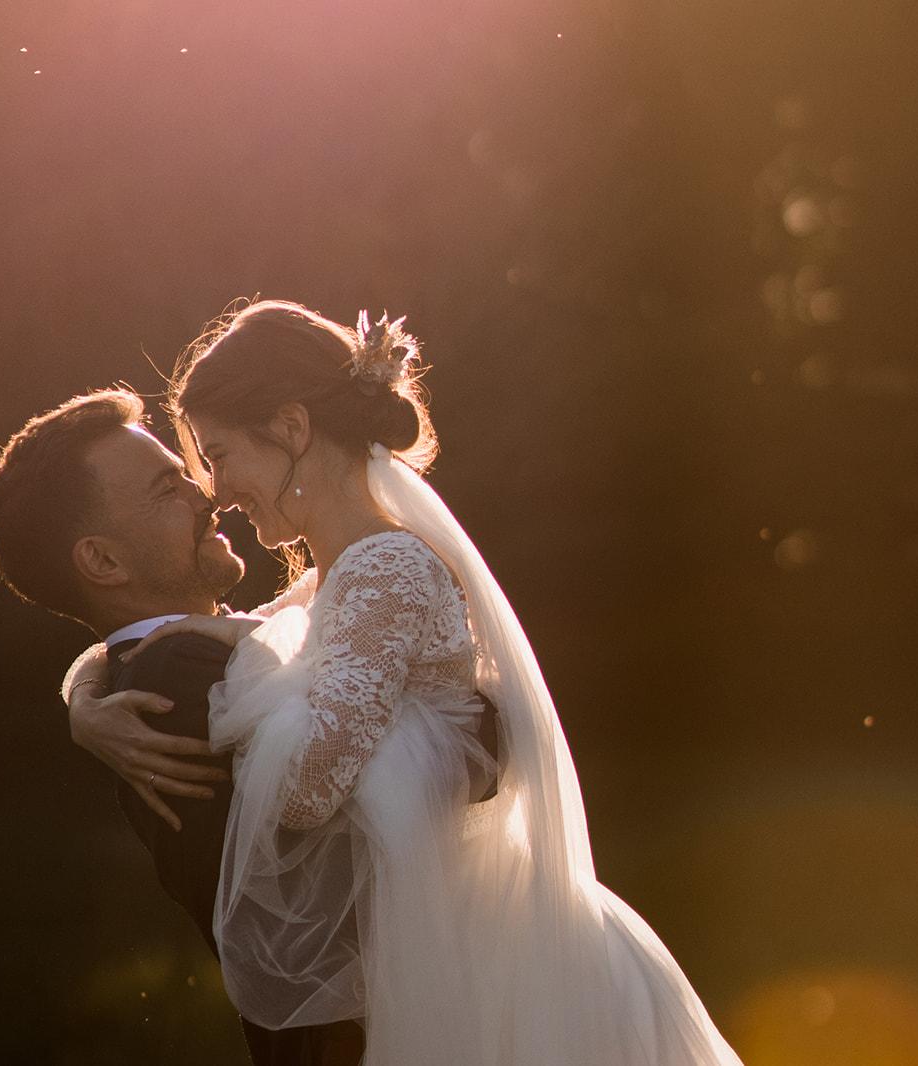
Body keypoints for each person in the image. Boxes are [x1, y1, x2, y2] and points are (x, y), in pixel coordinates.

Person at [66, 301, 742, 1064]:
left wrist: (254, 675)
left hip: (491, 963)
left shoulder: (384, 572)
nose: (216, 490)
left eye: (219, 455)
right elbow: (240, 646)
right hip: (448, 958)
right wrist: (83, 697)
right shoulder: (329, 587)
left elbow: (308, 791)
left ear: (290, 429)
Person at [0, 390, 365, 1066]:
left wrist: (83, 688)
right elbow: (449, 755)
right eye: (166, 488)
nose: (207, 492)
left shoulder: (164, 666)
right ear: (103, 563)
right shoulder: (177, 680)